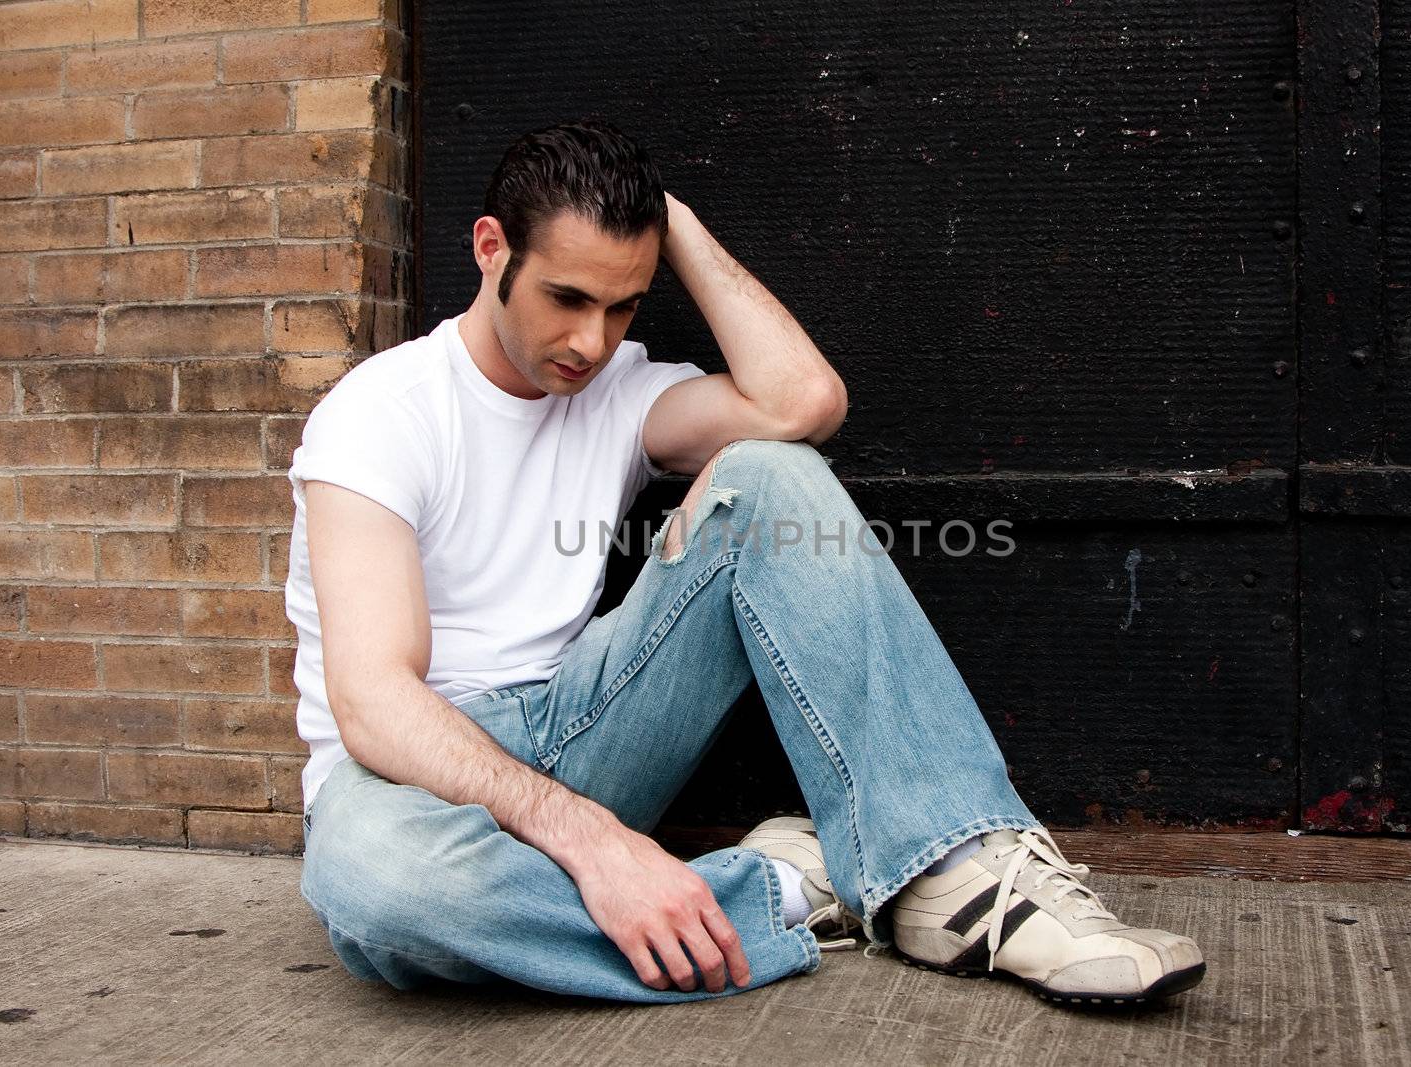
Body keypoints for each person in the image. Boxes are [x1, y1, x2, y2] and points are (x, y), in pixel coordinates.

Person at [286, 118, 1205, 1007]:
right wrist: (596, 844)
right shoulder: (381, 415)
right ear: (491, 248)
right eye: (567, 297)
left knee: (770, 477)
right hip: (410, 788)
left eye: (623, 304)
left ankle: (953, 873)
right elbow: (373, 700)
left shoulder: (614, 392)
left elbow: (802, 401)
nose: (590, 342)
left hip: (580, 728)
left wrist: (670, 219)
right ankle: (777, 889)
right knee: (379, 888)